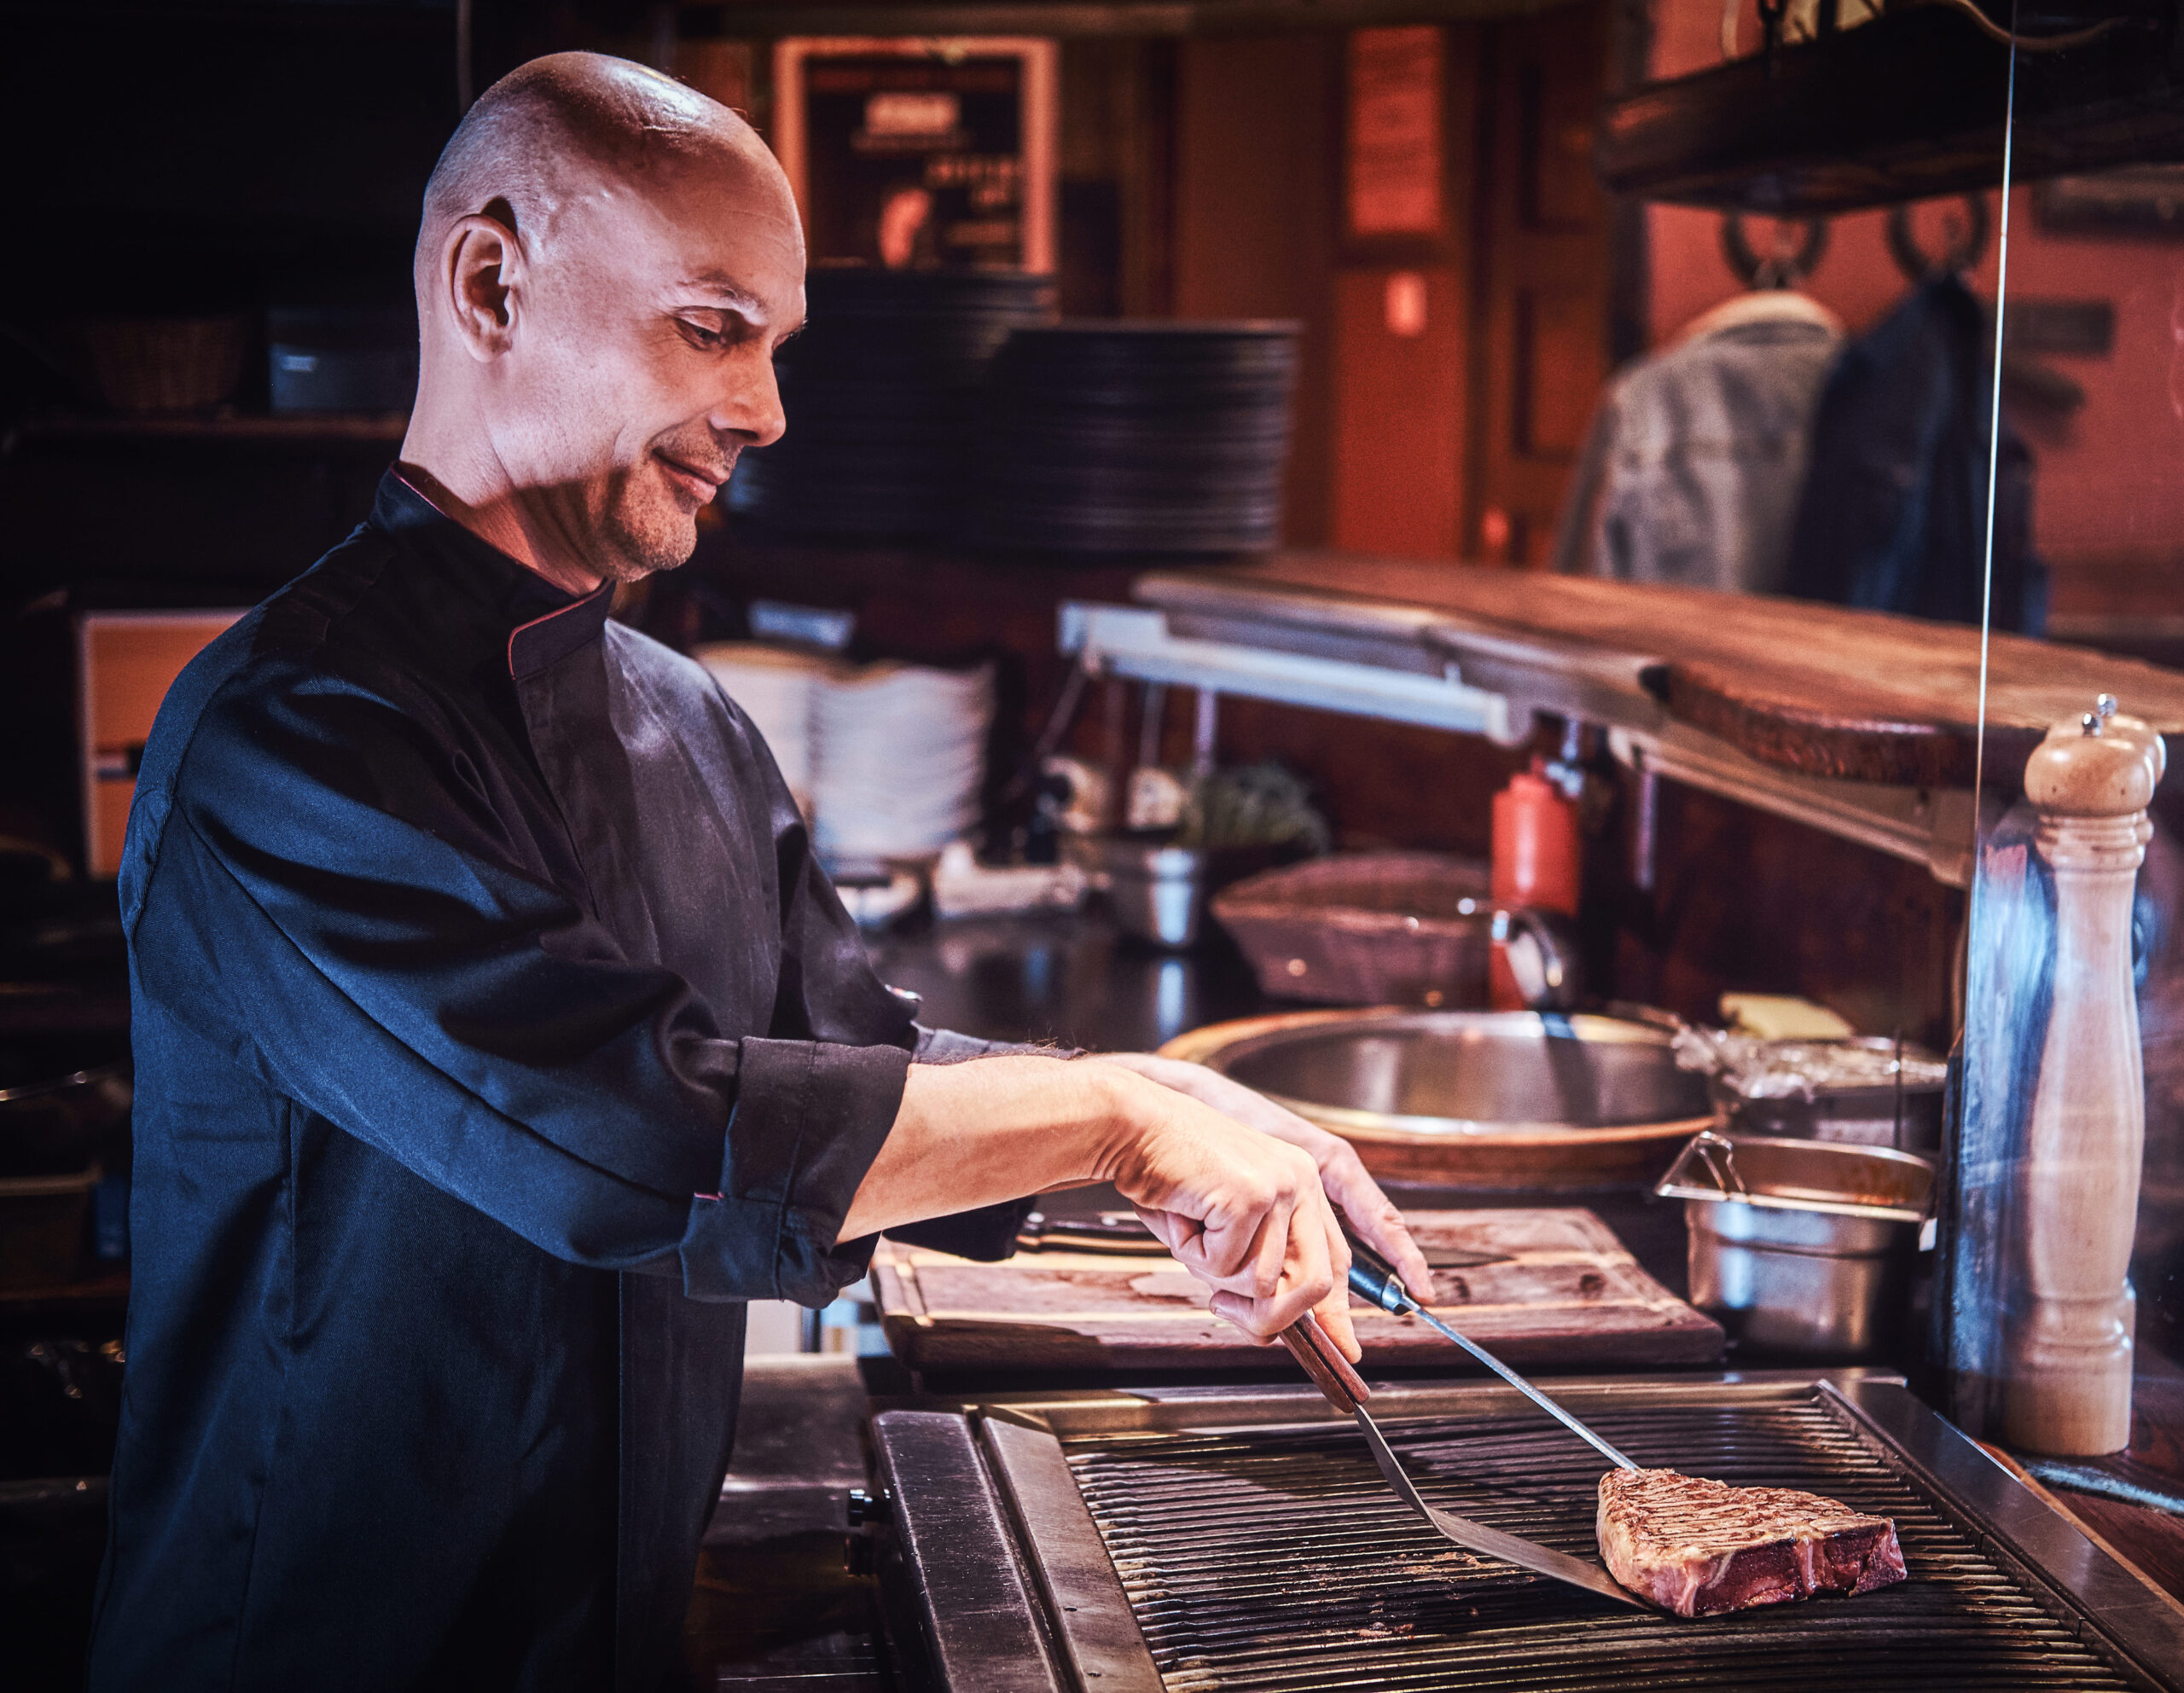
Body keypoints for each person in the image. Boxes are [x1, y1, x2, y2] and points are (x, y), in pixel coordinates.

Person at [88, 52, 1432, 1692]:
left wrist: (1173, 1127)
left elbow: (847, 1061)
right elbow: (640, 1142)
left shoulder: (687, 716)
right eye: (712, 327)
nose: (767, 412)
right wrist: (1132, 1117)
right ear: (491, 282)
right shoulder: (286, 735)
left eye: (774, 349)